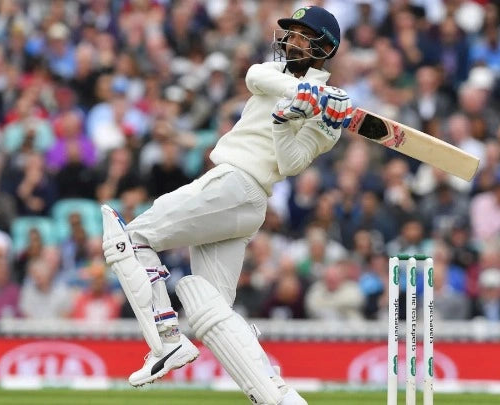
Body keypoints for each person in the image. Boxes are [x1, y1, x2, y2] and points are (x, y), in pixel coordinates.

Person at [100, 6, 352, 405]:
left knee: (128, 240)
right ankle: (280, 399)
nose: (291, 41)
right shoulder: (278, 79)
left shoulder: (327, 120)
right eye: (290, 34)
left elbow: (289, 164)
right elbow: (255, 76)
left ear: (324, 48)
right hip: (236, 202)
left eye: (303, 36)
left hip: (238, 185)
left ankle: (165, 341)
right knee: (208, 308)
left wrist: (291, 120)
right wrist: (303, 98)